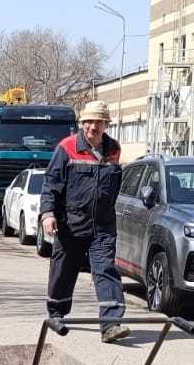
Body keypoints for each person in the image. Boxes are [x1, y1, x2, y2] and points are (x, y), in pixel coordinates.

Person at [39, 100, 129, 343]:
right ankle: (56, 314)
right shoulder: (66, 147)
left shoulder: (114, 149)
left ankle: (111, 324)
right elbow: (51, 184)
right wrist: (48, 214)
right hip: (71, 224)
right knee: (63, 271)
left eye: (98, 122)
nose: (93, 127)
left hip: (103, 227)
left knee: (106, 270)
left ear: (106, 124)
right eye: (88, 122)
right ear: (82, 124)